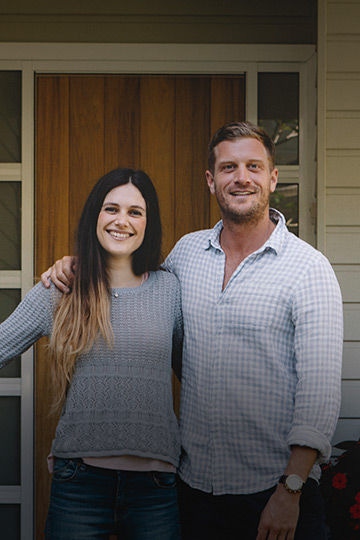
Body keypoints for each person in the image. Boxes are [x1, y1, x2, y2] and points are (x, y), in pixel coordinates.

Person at [42, 122, 343, 540]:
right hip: (194, 492)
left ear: (272, 177)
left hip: (275, 492)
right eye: (228, 167)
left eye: (254, 166)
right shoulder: (186, 254)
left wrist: (291, 488)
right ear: (210, 180)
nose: (241, 178)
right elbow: (134, 292)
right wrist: (77, 264)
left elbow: (320, 393)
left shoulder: (309, 269)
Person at [1, 168, 183, 540]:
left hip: (155, 488)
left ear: (149, 223)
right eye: (111, 209)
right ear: (94, 218)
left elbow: (200, 376)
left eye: (135, 212)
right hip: (79, 485)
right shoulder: (62, 288)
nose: (122, 221)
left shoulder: (170, 290)